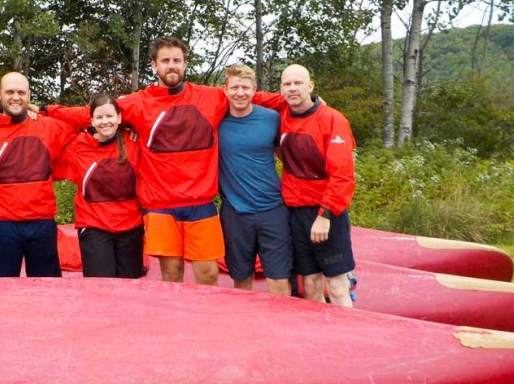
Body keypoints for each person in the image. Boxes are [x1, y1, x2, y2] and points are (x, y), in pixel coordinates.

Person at [41, 36, 227, 286]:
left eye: (177, 60)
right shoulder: (139, 102)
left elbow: (247, 99)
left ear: (185, 63)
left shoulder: (212, 97)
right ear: (154, 65)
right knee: (171, 274)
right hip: (161, 204)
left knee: (208, 273)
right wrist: (45, 109)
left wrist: (290, 100)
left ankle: (206, 323)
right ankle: (176, 323)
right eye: (165, 61)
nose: (171, 66)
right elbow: (94, 114)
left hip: (200, 201)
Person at [260, 64, 357, 307]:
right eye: (288, 84)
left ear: (310, 86)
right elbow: (246, 93)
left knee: (336, 284)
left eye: (299, 83)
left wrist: (325, 214)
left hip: (326, 212)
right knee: (310, 284)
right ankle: (320, 339)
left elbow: (343, 175)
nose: (293, 88)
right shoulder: (281, 109)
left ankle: (345, 335)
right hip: (295, 212)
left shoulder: (332, 119)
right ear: (281, 89)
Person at [0, 72, 77, 278]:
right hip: (3, 224)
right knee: (1, 291)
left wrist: (129, 128)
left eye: (21, 92)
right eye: (10, 92)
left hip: (42, 222)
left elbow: (91, 125)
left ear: (29, 95)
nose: (15, 97)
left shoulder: (48, 126)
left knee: (47, 291)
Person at [218, 64, 291, 295]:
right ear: (225, 90)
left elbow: (288, 156)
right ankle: (245, 328)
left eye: (245, 88)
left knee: (279, 281)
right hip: (235, 213)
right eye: (235, 87)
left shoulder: (271, 118)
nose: (240, 93)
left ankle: (279, 329)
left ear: (254, 90)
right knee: (241, 281)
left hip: (273, 210)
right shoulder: (215, 121)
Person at [53, 93, 144, 278]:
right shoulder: (78, 146)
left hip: (130, 227)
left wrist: (133, 126)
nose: (105, 122)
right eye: (99, 117)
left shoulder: (134, 141)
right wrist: (41, 109)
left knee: (131, 291)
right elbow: (55, 128)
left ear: (119, 117)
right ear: (91, 121)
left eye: (110, 116)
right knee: (100, 290)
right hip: (94, 226)